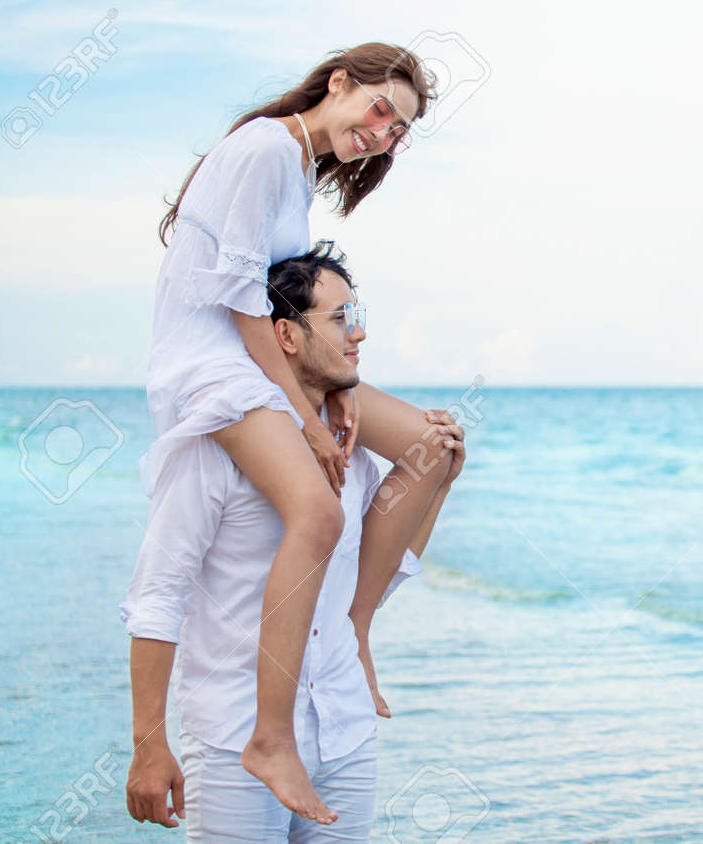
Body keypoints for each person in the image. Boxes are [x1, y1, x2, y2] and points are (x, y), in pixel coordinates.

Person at [145, 43, 450, 822]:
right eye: (381, 108)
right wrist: (306, 416)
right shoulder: (265, 148)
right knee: (319, 510)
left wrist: (335, 386)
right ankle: (270, 737)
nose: (383, 132)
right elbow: (248, 307)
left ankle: (351, 632)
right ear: (340, 82)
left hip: (267, 358)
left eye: (399, 130)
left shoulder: (295, 172)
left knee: (431, 446)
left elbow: (289, 307)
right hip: (217, 368)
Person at [123, 242, 465, 839]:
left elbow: (369, 579)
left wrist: (441, 479)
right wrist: (148, 744)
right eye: (339, 320)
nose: (357, 335)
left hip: (343, 727)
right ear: (284, 336)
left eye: (357, 318)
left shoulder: (352, 457)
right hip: (235, 738)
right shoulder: (211, 453)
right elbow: (158, 598)